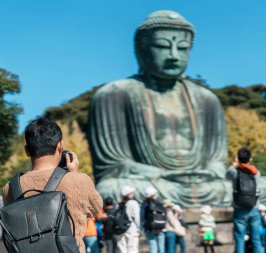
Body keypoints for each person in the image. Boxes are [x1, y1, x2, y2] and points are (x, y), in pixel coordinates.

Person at [87, 10, 230, 207]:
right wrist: (163, 174)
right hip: (152, 183)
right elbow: (112, 167)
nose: (173, 56)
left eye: (182, 48)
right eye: (162, 46)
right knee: (110, 189)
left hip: (203, 184)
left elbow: (216, 161)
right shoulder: (113, 95)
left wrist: (210, 171)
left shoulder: (207, 100)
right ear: (141, 50)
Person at [1, 118, 103, 253]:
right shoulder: (80, 180)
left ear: (27, 150)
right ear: (60, 146)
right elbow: (95, 209)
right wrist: (74, 174)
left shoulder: (9, 188)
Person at [226, 147, 263, 253]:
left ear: (238, 158)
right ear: (250, 159)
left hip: (239, 208)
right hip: (254, 207)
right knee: (256, 239)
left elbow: (227, 174)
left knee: (239, 238)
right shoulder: (256, 173)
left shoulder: (234, 172)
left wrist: (235, 163)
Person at [115, 186, 140, 253]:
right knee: (132, 249)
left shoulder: (118, 204)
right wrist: (139, 229)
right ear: (129, 194)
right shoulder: (133, 203)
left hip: (120, 229)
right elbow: (137, 218)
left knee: (122, 250)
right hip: (132, 229)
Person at [141, 187, 166, 253]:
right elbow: (165, 216)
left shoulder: (145, 204)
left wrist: (145, 227)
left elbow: (142, 217)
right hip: (161, 228)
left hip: (150, 229)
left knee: (153, 248)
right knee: (161, 248)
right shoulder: (159, 203)